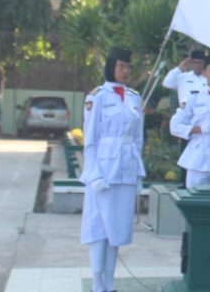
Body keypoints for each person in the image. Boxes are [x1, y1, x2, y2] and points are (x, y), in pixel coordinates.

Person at [80, 47, 146, 292]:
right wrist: (93, 173)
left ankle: (110, 283)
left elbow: (138, 138)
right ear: (111, 66)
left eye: (128, 66)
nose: (126, 71)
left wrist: (138, 172)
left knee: (116, 229)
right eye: (121, 66)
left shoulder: (133, 97)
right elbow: (90, 140)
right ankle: (97, 284)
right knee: (99, 228)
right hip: (104, 171)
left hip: (126, 169)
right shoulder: (96, 97)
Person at [170, 53, 210, 188]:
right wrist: (200, 129)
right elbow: (175, 126)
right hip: (197, 159)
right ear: (204, 72)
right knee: (194, 199)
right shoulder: (194, 98)